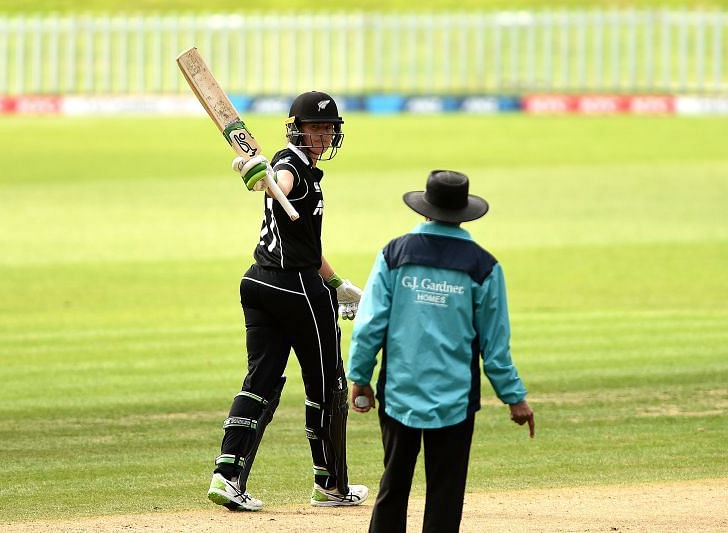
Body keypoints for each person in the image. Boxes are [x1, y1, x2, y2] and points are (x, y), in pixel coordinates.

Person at [206, 91, 369, 511]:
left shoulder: (307, 171)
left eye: (328, 128)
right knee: (328, 383)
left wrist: (336, 284)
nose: (322, 135)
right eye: (315, 128)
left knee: (261, 382)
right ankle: (330, 485)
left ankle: (227, 477)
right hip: (295, 289)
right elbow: (279, 182)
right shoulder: (289, 166)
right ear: (298, 129)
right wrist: (254, 172)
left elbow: (307, 246)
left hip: (261, 284)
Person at [347, 170, 535, 532]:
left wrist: (360, 378)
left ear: (425, 210)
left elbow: (370, 325)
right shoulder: (485, 266)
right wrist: (515, 398)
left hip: (399, 392)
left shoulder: (394, 253)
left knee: (394, 485)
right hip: (456, 398)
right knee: (446, 494)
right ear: (464, 213)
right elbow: (495, 347)